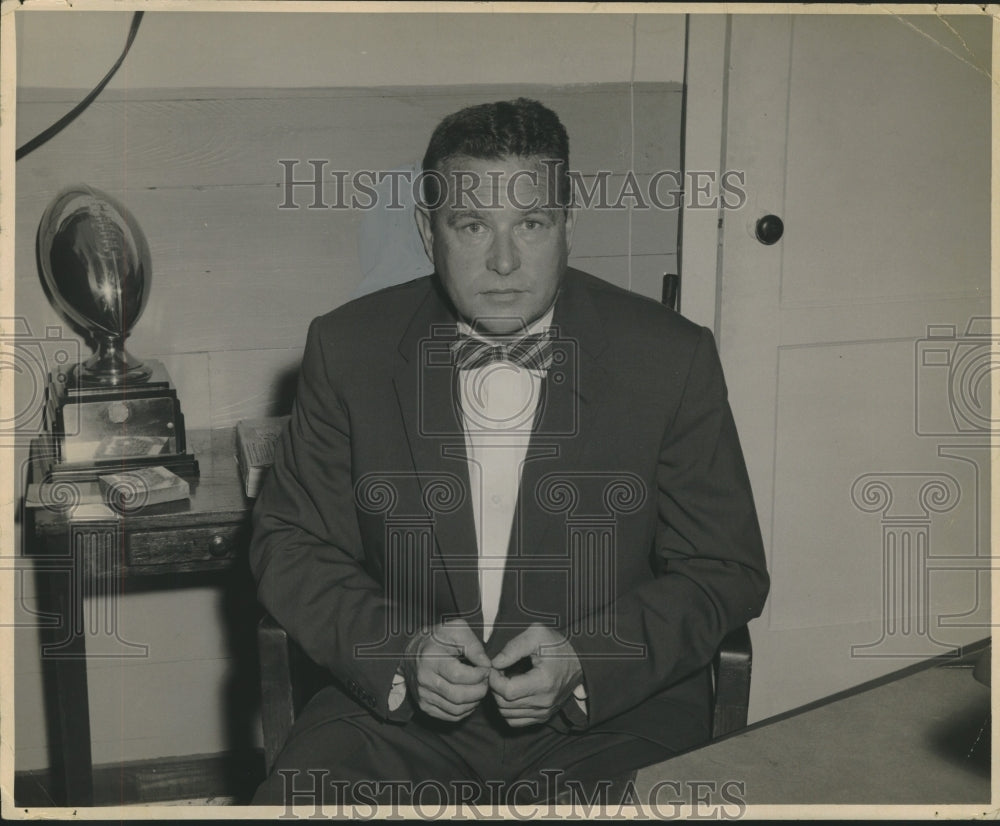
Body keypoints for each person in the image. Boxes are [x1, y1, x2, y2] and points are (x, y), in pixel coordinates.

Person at [249, 97, 769, 808]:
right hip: (396, 721)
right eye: (472, 225)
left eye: (530, 223)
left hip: (612, 718)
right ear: (429, 234)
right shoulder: (348, 349)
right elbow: (291, 542)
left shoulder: (669, 358)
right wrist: (400, 651)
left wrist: (588, 660)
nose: (503, 261)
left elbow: (726, 568)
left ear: (567, 228)